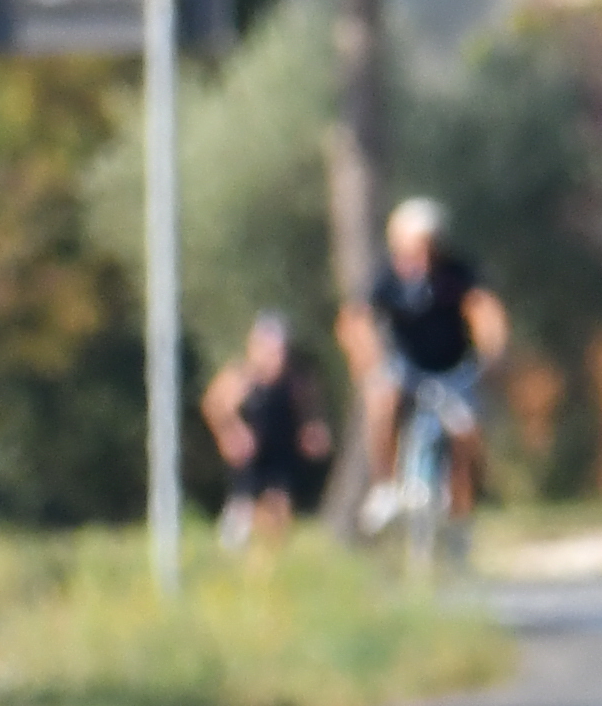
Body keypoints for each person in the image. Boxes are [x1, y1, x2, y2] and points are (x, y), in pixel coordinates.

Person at [342, 197, 510, 525]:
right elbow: (356, 320)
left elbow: (484, 309)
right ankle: (385, 486)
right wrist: (367, 359)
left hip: (454, 371)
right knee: (382, 400)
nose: (423, 253)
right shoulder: (388, 277)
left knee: (467, 434)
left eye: (429, 244)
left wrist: (493, 348)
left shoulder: (457, 273)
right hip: (408, 370)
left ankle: (462, 514)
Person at [201, 312, 331, 547]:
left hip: (280, 454)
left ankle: (269, 564)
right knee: (244, 509)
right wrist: (231, 433)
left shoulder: (294, 380)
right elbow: (213, 405)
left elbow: (310, 409)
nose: (276, 357)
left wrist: (311, 430)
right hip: (249, 458)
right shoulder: (241, 377)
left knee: (279, 509)